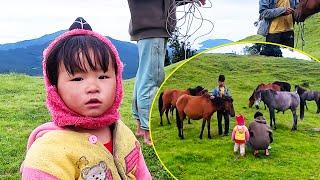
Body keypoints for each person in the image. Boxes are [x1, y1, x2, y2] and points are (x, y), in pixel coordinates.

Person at [21, 17, 151, 179]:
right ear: (54, 88)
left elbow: (143, 174)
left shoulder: (122, 132)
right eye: (77, 79)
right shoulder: (47, 155)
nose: (93, 87)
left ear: (117, 82)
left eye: (103, 77)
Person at [127, 0, 206, 145]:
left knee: (143, 78)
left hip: (149, 28)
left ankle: (140, 127)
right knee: (151, 80)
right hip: (153, 28)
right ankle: (147, 132)